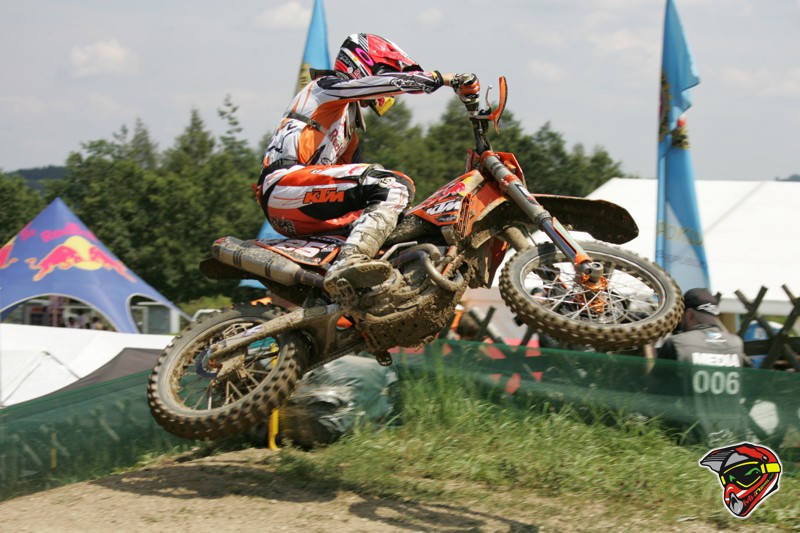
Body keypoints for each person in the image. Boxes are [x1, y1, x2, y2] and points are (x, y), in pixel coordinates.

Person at [255, 33, 480, 299]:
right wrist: (444, 78)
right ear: (364, 63)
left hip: (300, 203)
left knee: (384, 209)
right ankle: (350, 262)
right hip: (284, 184)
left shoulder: (347, 131)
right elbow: (380, 85)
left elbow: (360, 185)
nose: (385, 99)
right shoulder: (325, 87)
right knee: (394, 185)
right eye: (385, 71)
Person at [654, 288, 748, 445]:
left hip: (692, 440)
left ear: (689, 315)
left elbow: (654, 391)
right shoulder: (736, 344)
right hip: (732, 438)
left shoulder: (677, 343)